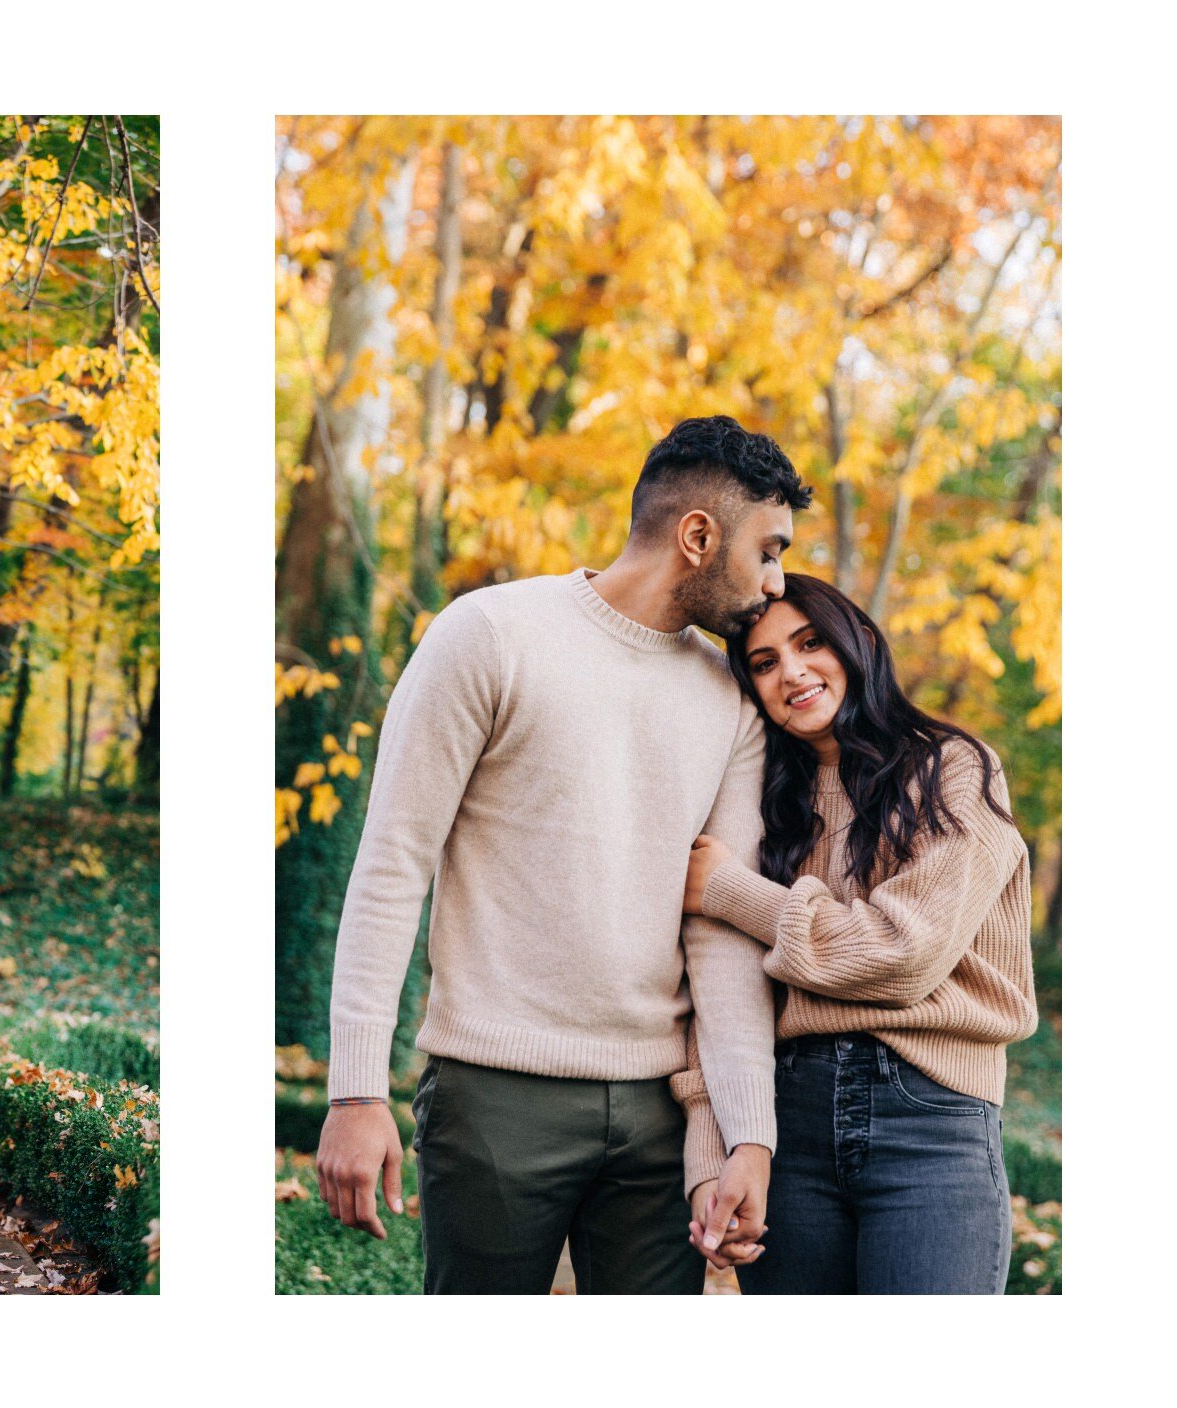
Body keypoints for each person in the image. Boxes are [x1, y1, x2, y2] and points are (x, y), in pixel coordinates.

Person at [316, 415, 810, 1294]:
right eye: (768, 551)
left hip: (659, 1116)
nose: (775, 584)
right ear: (698, 536)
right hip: (496, 1095)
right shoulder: (491, 635)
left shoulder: (732, 702)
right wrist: (355, 1092)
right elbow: (393, 861)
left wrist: (747, 1134)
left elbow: (722, 932)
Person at [681, 573, 1036, 1294]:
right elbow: (717, 991)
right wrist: (711, 1159)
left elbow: (903, 955)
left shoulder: (953, 769)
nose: (793, 672)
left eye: (810, 643)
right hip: (788, 1124)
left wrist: (729, 891)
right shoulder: (755, 804)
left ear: (860, 641)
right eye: (765, 662)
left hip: (930, 1120)